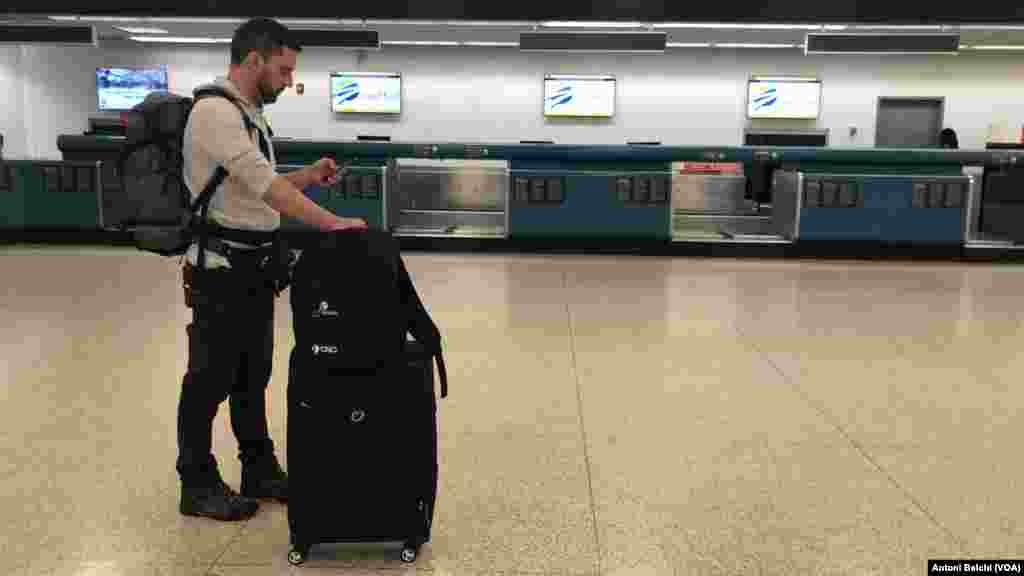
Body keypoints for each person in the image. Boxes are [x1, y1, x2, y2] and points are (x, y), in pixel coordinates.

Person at [176, 17, 367, 522]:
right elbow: (265, 188)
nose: (288, 81)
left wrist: (308, 176)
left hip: (254, 269)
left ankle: (258, 468)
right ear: (254, 59)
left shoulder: (250, 114)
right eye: (283, 70)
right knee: (208, 378)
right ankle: (194, 482)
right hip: (220, 268)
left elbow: (257, 187)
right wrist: (332, 224)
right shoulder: (215, 111)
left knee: (251, 375)